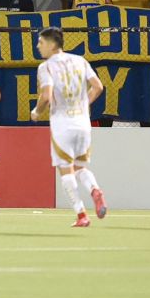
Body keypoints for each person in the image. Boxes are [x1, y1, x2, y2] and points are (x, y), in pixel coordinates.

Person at [30, 27, 108, 227]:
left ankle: (81, 214)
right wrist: (85, 104)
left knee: (66, 170)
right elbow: (98, 86)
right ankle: (95, 190)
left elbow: (46, 96)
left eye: (41, 42)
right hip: (83, 123)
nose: (38, 46)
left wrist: (37, 112)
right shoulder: (80, 60)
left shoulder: (46, 67)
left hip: (62, 123)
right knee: (81, 167)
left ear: (52, 44)